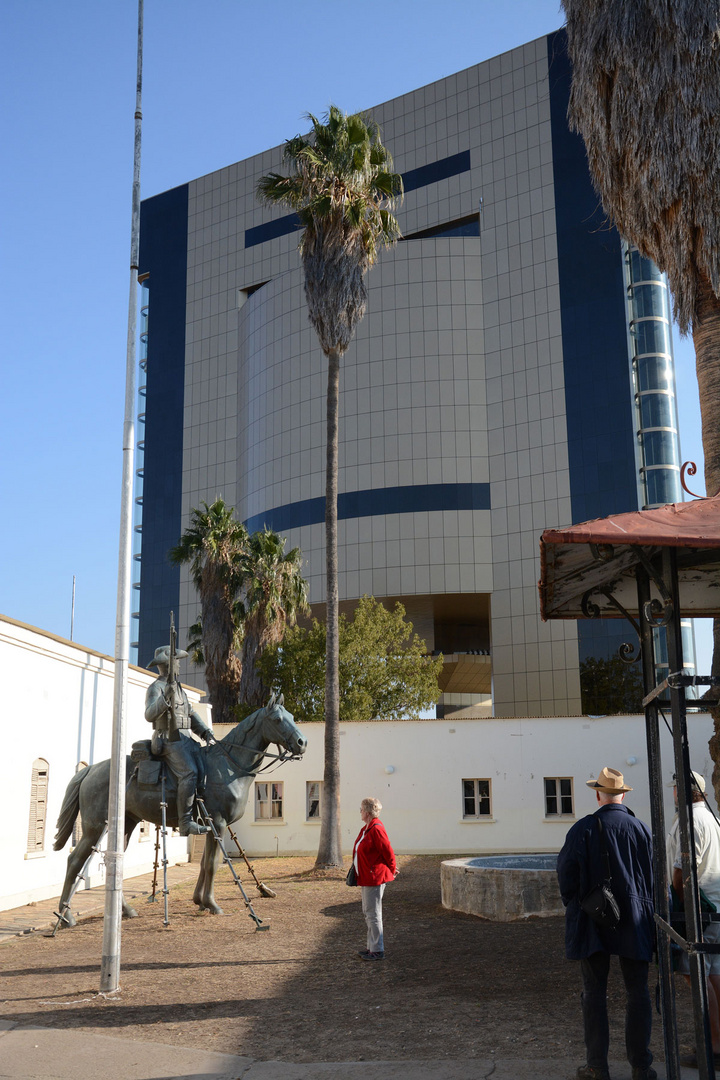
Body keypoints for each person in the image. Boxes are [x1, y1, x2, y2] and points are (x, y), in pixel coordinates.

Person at [556, 766, 656, 1080]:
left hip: (592, 917)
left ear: (599, 794)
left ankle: (597, 1066)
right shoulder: (640, 829)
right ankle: (641, 1066)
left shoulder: (583, 829)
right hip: (636, 918)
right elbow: (653, 876)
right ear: (623, 794)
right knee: (637, 992)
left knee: (594, 992)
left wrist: (577, 904)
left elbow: (566, 874)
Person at [670, 770, 720, 1067]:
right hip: (715, 906)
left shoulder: (690, 820)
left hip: (698, 908)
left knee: (696, 974)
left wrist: (677, 901)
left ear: (681, 792)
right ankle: (717, 1041)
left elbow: (681, 870)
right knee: (713, 974)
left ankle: (712, 1046)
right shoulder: (713, 818)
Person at [145, 644, 215, 836]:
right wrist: (164, 700)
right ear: (168, 664)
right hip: (168, 740)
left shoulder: (179, 689)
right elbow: (149, 714)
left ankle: (198, 810)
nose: (180, 666)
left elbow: (190, 714)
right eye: (177, 661)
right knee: (189, 773)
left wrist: (205, 732)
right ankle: (185, 822)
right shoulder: (156, 688)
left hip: (185, 739)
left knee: (204, 768)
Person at [352, 797, 398, 961]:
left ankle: (378, 950)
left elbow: (388, 851)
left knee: (373, 913)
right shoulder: (367, 828)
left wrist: (392, 869)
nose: (360, 812)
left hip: (375, 877)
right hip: (366, 877)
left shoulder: (376, 829)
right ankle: (371, 947)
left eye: (361, 809)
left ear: (367, 811)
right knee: (368, 912)